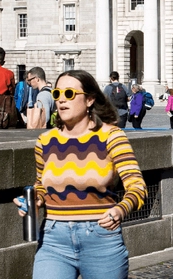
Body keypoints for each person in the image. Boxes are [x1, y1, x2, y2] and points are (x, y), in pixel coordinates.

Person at [13, 69, 147, 279]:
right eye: (57, 94)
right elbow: (41, 185)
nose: (61, 100)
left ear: (90, 100)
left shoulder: (112, 137)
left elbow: (137, 187)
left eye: (69, 94)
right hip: (53, 239)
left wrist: (120, 210)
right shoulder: (45, 141)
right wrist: (34, 200)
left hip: (101, 238)